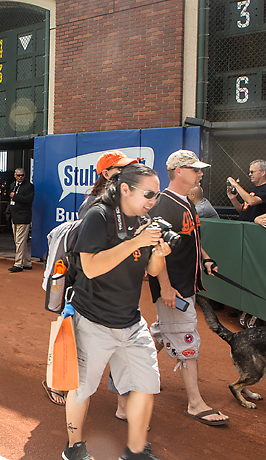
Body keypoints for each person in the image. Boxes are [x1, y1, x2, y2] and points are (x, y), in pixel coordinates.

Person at [63, 163, 170, 460]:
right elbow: (92, 267)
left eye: (157, 195)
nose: (153, 200)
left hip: (131, 321)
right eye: (149, 194)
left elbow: (151, 269)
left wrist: (159, 254)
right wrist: (137, 241)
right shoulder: (99, 216)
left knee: (146, 385)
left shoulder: (143, 220)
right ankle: (74, 448)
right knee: (83, 389)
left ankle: (135, 451)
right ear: (125, 189)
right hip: (93, 321)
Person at [145, 150, 229, 430]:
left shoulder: (187, 201)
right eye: (195, 169)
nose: (200, 173)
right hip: (173, 287)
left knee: (162, 332)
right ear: (178, 171)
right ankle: (195, 403)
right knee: (185, 337)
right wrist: (166, 287)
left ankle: (123, 378)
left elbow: (191, 238)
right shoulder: (163, 204)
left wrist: (204, 257)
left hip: (185, 283)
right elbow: (157, 250)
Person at [78, 150, 138, 218]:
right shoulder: (91, 203)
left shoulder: (129, 200)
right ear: (106, 174)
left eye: (128, 168)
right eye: (120, 169)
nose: (126, 172)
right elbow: (86, 228)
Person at [8, 168, 35, 272]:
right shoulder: (12, 185)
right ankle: (26, 262)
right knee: (19, 241)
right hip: (14, 216)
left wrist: (15, 196)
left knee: (20, 241)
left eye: (22, 175)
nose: (20, 177)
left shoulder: (29, 186)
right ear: (15, 175)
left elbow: (29, 199)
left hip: (24, 216)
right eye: (18, 175)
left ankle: (18, 263)